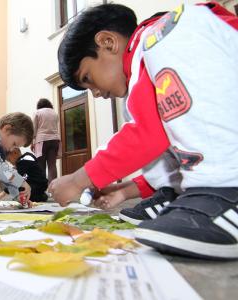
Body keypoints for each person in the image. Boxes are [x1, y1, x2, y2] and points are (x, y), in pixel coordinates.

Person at [49, 2, 238, 259]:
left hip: (228, 175)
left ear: (107, 42)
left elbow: (147, 132)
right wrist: (126, 190)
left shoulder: (164, 35)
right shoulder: (144, 69)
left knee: (167, 51)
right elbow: (163, 137)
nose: (94, 93)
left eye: (88, 79)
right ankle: (174, 195)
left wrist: (78, 180)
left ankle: (226, 192)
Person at [32, 98, 61, 184]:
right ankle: (53, 189)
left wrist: (32, 142)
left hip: (41, 140)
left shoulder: (38, 112)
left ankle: (42, 188)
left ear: (39, 105)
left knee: (41, 165)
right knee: (52, 165)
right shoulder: (54, 113)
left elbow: (34, 129)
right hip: (55, 140)